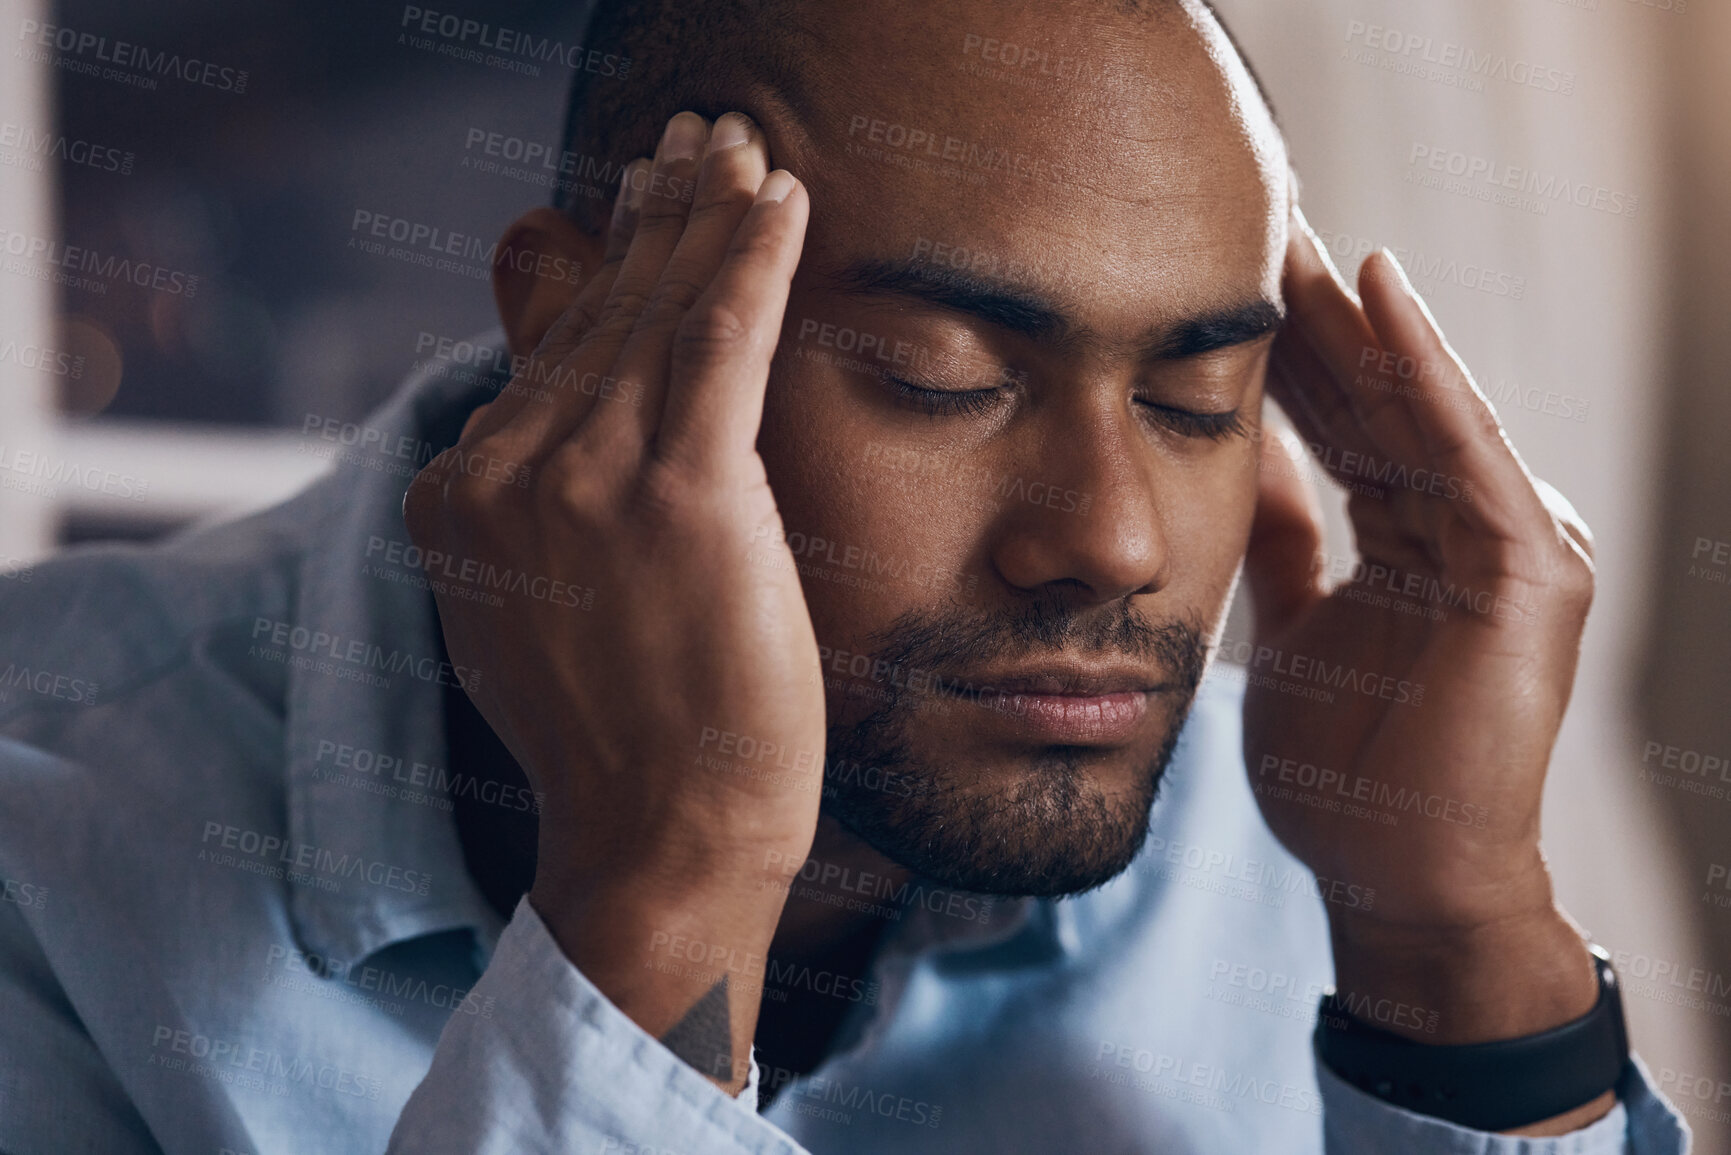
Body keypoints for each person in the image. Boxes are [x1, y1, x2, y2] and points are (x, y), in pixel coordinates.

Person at [0, 1, 1691, 1152]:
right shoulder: (46, 851)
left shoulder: (1301, 853)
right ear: (574, 334)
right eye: (945, 378)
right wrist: (673, 882)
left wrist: (1457, 939)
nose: (1110, 540)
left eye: (1196, 400)